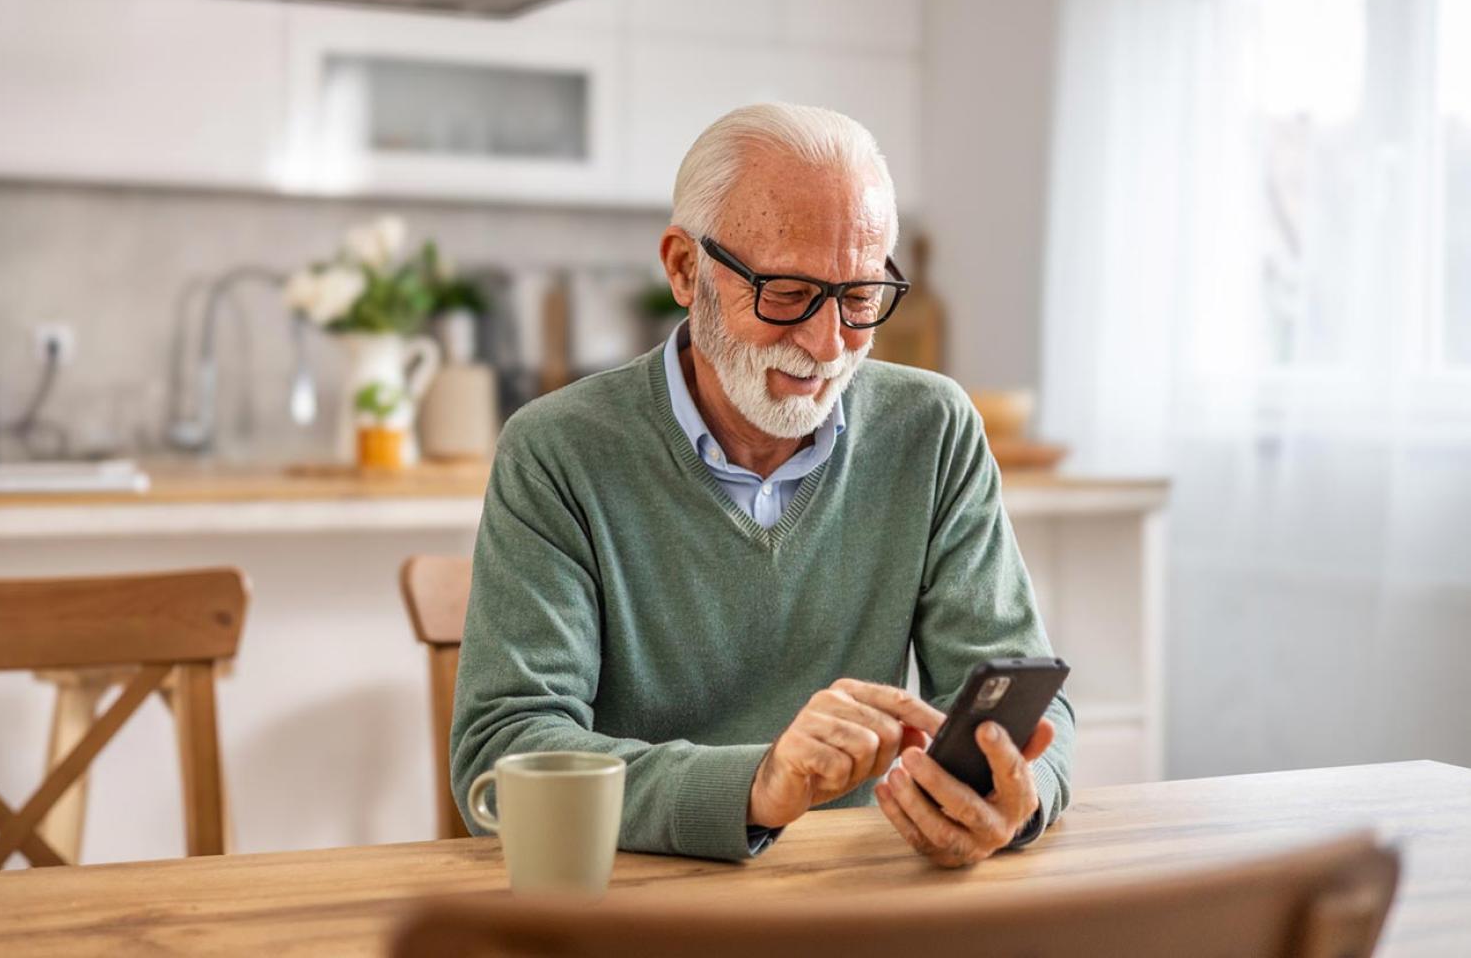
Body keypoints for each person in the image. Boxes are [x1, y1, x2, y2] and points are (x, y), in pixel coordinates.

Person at [451, 102, 1073, 867]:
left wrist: (1015, 791)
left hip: (861, 890)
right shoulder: (557, 450)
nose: (826, 344)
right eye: (785, 292)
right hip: (637, 901)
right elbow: (503, 755)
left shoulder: (932, 429)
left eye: (859, 297)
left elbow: (1019, 699)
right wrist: (756, 783)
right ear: (685, 269)